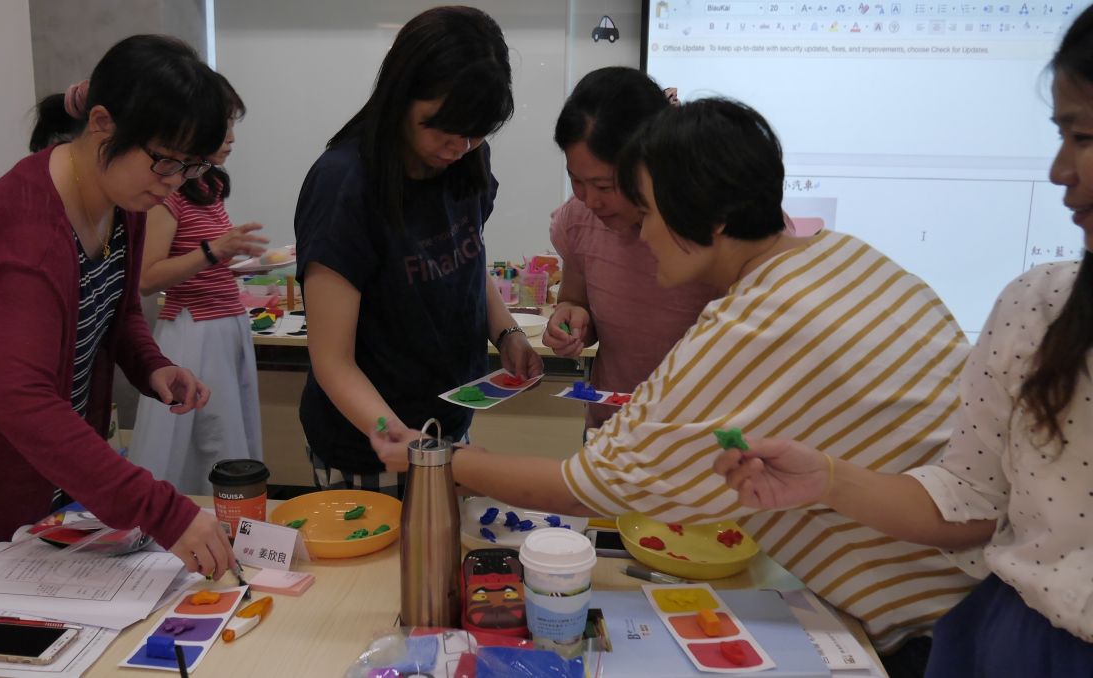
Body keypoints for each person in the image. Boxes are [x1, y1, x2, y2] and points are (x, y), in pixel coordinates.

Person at [374, 98, 978, 669]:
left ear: (712, 220)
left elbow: (586, 488)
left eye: (650, 214)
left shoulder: (753, 324)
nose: (642, 235)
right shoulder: (848, 256)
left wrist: (440, 458)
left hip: (932, 632)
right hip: (978, 595)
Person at [712, 9, 1093, 675]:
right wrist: (827, 479)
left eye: (1084, 136)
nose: (1061, 170)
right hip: (1014, 641)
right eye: (1061, 134)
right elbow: (971, 496)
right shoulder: (1037, 306)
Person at [0, 34, 238, 617]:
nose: (174, 181)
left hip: (45, 478)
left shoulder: (122, 200)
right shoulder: (22, 236)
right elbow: (22, 402)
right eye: (166, 160)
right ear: (102, 124)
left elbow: (117, 309)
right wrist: (163, 510)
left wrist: (151, 364)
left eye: (192, 166)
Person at [295, 6, 542, 498]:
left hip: (446, 423)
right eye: (440, 128)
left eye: (475, 133)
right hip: (370, 443)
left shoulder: (467, 159)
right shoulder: (345, 184)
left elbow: (464, 258)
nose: (457, 147)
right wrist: (396, 434)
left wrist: (506, 332)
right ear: (401, 95)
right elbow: (332, 361)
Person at [544, 67, 717, 430]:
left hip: (700, 434)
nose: (590, 200)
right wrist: (572, 319)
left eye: (605, 186)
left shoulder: (718, 226)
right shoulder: (579, 219)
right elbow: (575, 300)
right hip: (613, 429)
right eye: (576, 180)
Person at [131, 74, 267, 495]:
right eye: (223, 125)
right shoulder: (167, 193)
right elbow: (147, 278)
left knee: (229, 434)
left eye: (232, 125)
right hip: (194, 330)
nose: (231, 138)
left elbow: (204, 260)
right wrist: (215, 250)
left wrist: (231, 259)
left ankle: (231, 517)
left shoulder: (208, 185)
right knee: (203, 442)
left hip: (226, 324)